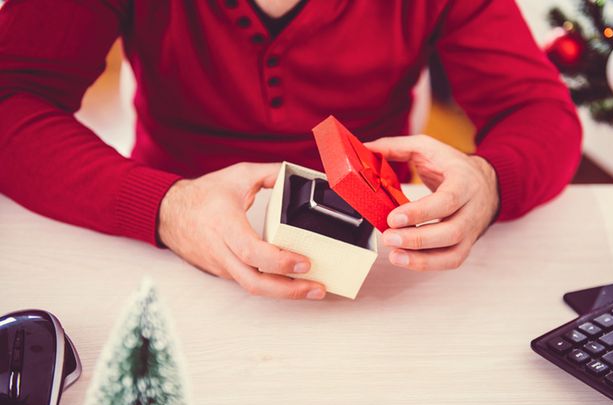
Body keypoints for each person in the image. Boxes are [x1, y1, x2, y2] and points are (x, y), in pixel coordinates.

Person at [0, 0, 582, 300]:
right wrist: (166, 207)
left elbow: (540, 114)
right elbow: (11, 100)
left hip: (381, 260)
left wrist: (488, 181)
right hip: (168, 250)